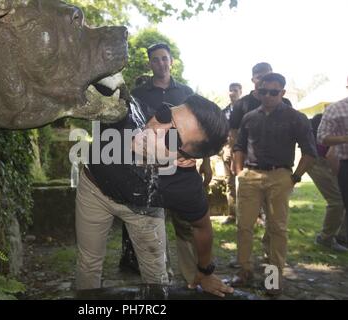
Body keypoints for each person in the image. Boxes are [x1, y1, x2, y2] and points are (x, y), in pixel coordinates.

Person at [75, 94, 234, 298]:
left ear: (184, 161)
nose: (155, 128)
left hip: (144, 209)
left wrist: (205, 273)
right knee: (88, 263)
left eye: (172, 138)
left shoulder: (184, 186)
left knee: (155, 273)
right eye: (165, 114)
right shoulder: (124, 112)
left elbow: (202, 227)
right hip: (94, 190)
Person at [122, 43, 213, 284]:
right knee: (152, 223)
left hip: (182, 168)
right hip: (148, 169)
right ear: (150, 63)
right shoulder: (138, 94)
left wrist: (206, 162)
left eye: (164, 58)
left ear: (171, 61)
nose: (160, 63)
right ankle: (160, 277)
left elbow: (201, 131)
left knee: (186, 225)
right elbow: (132, 127)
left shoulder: (187, 93)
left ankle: (192, 276)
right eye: (155, 59)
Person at [231, 73, 317, 296]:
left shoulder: (295, 118)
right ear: (257, 92)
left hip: (280, 175)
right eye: (263, 91)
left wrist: (295, 177)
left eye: (273, 92)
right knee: (244, 226)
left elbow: (310, 152)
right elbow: (238, 145)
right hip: (250, 176)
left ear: (283, 93)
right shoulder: (249, 117)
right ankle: (244, 271)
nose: (268, 96)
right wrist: (240, 173)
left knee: (276, 228)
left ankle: (272, 279)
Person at [308, 114, 347, 252]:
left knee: (343, 199)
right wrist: (337, 176)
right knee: (337, 201)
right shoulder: (335, 125)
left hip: (321, 161)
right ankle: (325, 238)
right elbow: (332, 155)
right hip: (317, 162)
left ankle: (342, 237)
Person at [318, 84, 348, 248]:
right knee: (339, 201)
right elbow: (323, 139)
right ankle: (331, 238)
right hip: (341, 162)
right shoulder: (336, 109)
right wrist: (345, 138)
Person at [221, 83, 242, 225]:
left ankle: (256, 216)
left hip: (243, 152)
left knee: (246, 184)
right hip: (227, 151)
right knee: (230, 184)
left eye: (235, 90)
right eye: (230, 90)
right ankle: (232, 214)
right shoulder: (224, 112)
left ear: (240, 92)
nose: (232, 92)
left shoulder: (246, 108)